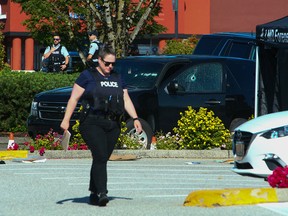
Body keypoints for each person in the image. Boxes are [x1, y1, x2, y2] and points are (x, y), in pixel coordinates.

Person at [60, 45, 142, 207]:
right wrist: (66, 120)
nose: (110, 67)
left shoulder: (117, 77)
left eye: (113, 64)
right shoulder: (87, 76)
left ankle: (93, 189)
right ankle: (102, 192)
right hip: (91, 122)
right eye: (107, 63)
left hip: (113, 124)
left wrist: (135, 118)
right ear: (99, 60)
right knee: (100, 155)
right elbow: (73, 99)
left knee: (101, 157)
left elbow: (125, 99)